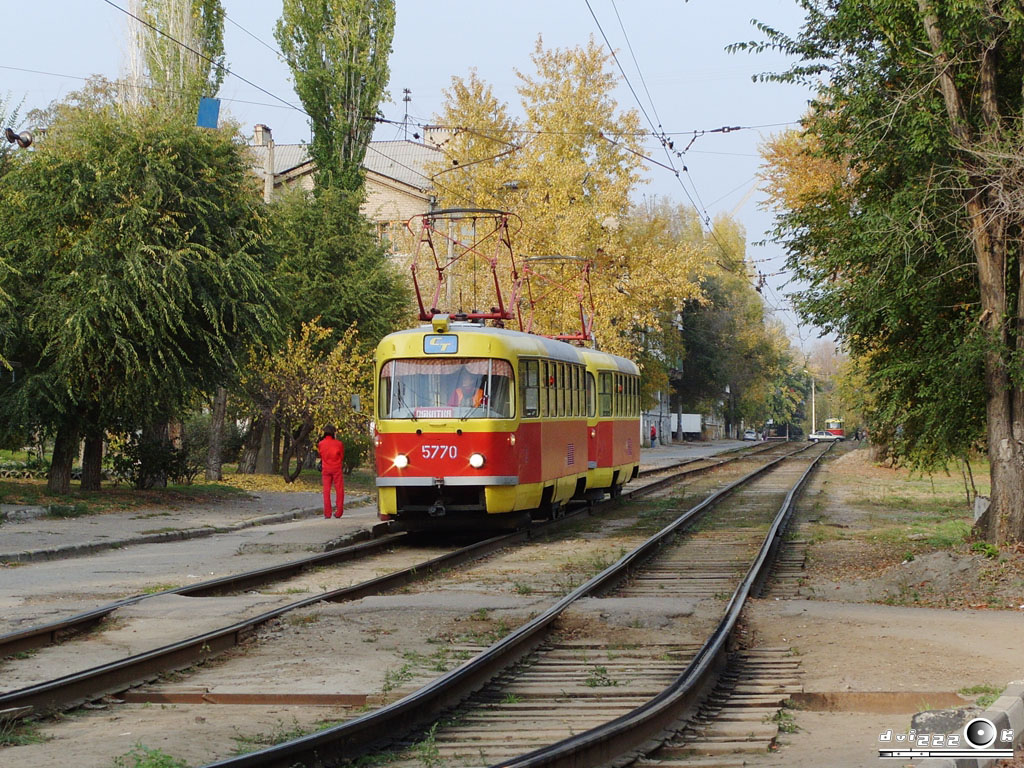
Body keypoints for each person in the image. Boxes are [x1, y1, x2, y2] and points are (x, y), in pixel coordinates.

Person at [318, 424, 344, 519]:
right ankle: (339, 512)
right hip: (336, 468)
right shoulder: (339, 444)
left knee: (326, 490)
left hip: (326, 469)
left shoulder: (321, 444)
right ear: (334, 433)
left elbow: (321, 455)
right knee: (339, 490)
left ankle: (327, 513)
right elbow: (341, 457)